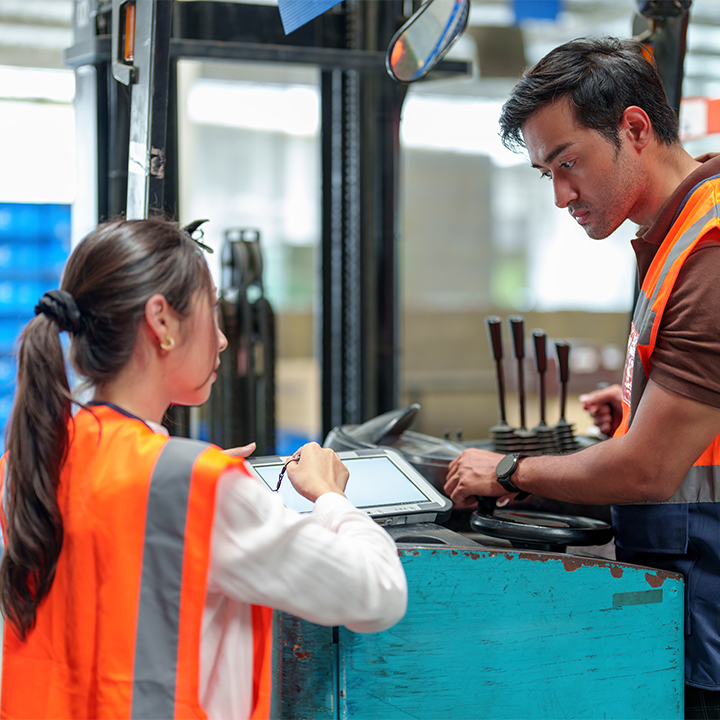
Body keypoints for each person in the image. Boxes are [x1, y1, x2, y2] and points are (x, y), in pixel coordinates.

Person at [0, 217, 407, 720]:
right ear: (162, 322)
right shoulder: (196, 487)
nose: (220, 339)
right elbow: (379, 592)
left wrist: (189, 475)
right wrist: (329, 496)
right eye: (211, 311)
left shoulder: (25, 463)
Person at [444, 37, 720, 719]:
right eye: (547, 173)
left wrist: (509, 471)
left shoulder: (709, 252)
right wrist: (638, 400)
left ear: (633, 128)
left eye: (571, 163)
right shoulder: (676, 228)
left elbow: (651, 471)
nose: (563, 195)